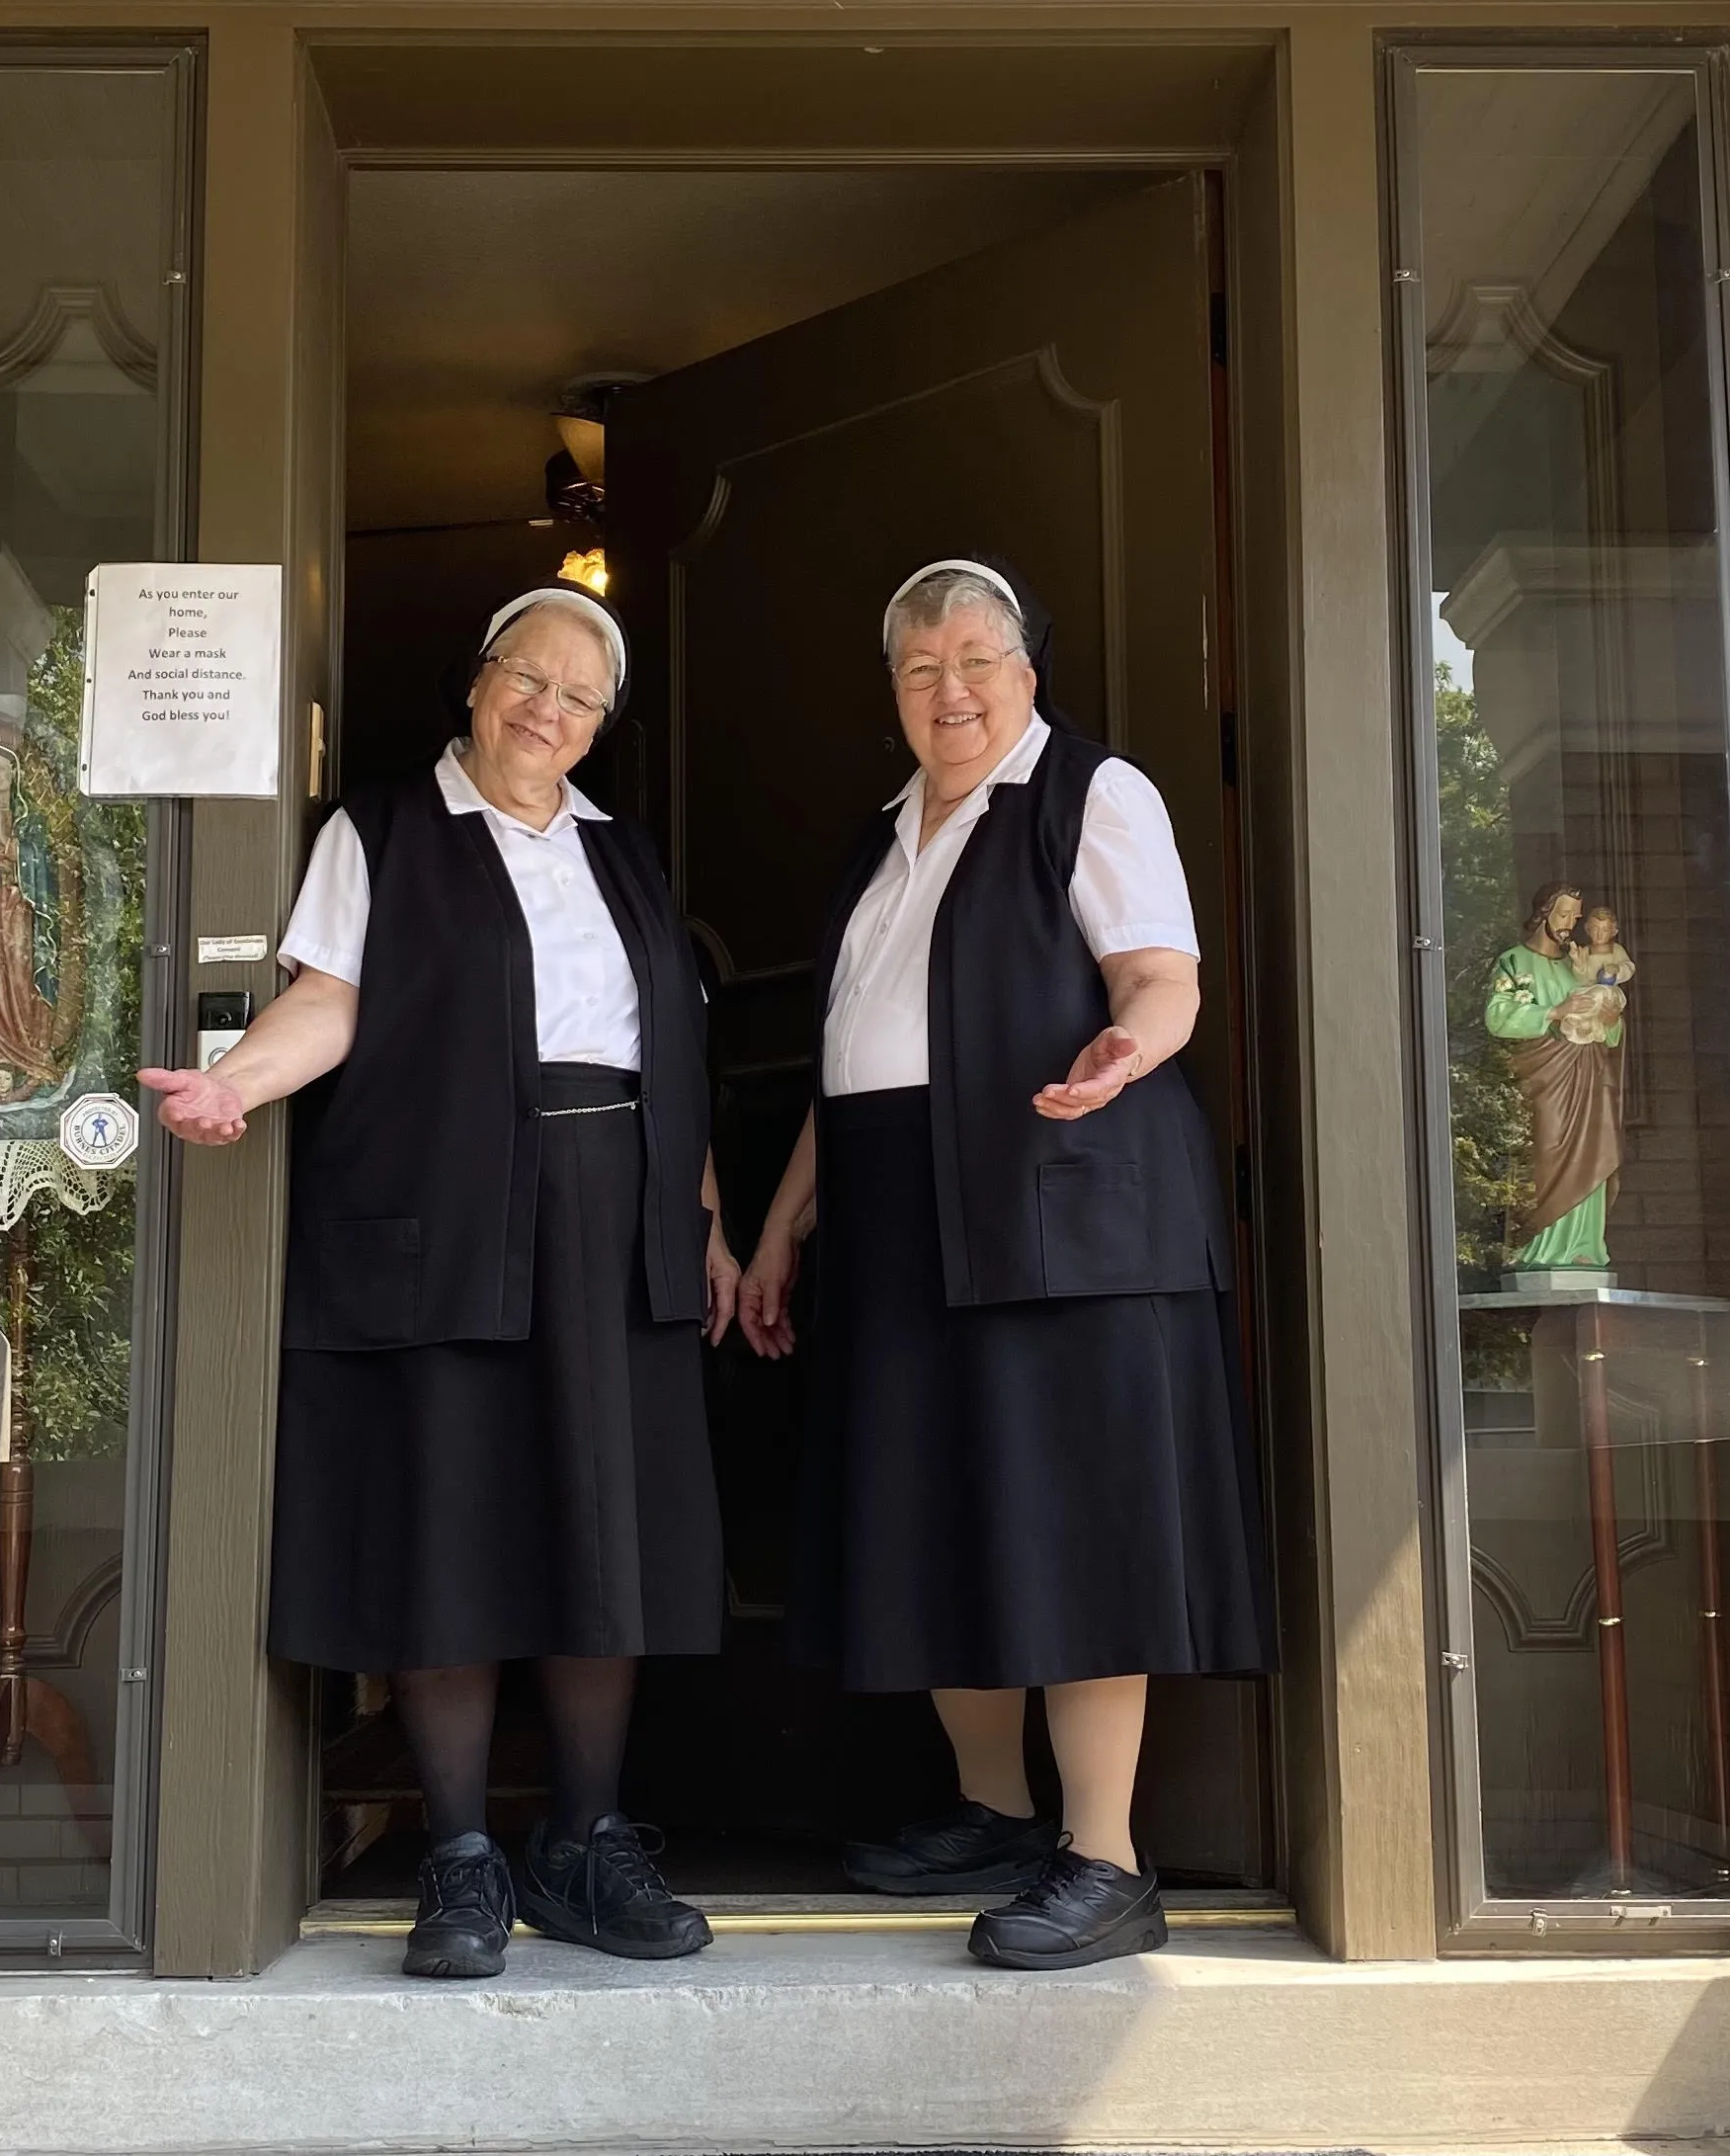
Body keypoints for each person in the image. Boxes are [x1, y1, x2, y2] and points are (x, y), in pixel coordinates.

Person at [141, 583, 738, 1981]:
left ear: (600, 727)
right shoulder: (383, 832)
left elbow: (670, 1063)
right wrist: (231, 1083)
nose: (548, 711)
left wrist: (699, 1221)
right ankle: (460, 1855)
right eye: (527, 680)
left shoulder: (624, 855)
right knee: (449, 1528)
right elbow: (328, 997)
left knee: (605, 1536)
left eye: (579, 698)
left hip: (615, 1221)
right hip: (451, 1213)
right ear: (477, 683)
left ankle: (587, 1839)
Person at [738, 559, 1276, 1972]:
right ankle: (992, 1810)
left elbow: (1164, 975)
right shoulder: (882, 835)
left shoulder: (1094, 794)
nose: (949, 689)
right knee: (937, 1513)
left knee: (1076, 1521)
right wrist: (793, 1209)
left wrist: (1129, 1047)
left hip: (1059, 1205)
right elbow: (852, 1049)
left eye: (976, 659)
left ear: (1027, 672)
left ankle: (1106, 1858)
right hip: (899, 1209)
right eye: (918, 669)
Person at [1485, 881, 1626, 1272]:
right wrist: (1552, 1013)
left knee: (1593, 1150)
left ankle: (1584, 1246)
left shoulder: (1579, 967)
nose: (1569, 925)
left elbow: (1609, 1033)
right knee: (1547, 1152)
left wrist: (1611, 1020)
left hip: (1589, 1078)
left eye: (1574, 918)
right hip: (1545, 1081)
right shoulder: (1513, 962)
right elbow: (1497, 1017)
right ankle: (1539, 1248)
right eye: (1563, 915)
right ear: (1543, 913)